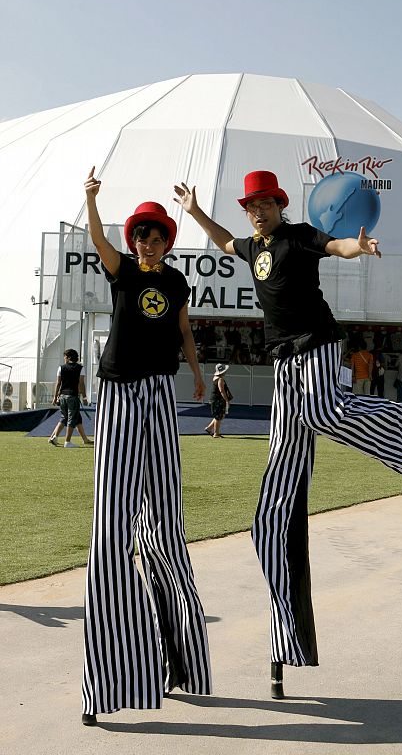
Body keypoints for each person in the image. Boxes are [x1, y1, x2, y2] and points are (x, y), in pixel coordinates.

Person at [173, 169, 402, 699]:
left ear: (279, 205)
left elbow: (335, 245)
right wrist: (196, 213)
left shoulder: (298, 236)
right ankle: (286, 636)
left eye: (265, 203)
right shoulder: (252, 245)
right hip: (282, 363)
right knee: (274, 512)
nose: (258, 210)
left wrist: (358, 247)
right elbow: (224, 242)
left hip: (315, 344)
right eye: (252, 205)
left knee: (328, 412)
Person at [80, 168, 211, 727]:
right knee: (111, 525)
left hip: (159, 392)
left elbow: (183, 330)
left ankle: (178, 658)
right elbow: (98, 242)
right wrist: (91, 201)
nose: (149, 242)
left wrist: (198, 374)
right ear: (134, 240)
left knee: (164, 522)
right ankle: (107, 677)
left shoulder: (178, 281)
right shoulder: (124, 271)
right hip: (116, 392)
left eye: (158, 235)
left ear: (167, 240)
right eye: (143, 235)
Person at [49, 349, 93, 447]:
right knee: (71, 419)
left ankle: (54, 437)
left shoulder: (61, 368)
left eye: (65, 357)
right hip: (73, 397)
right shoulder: (81, 368)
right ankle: (67, 442)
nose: (64, 359)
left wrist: (55, 397)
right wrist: (84, 397)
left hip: (62, 397)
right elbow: (81, 384)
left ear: (69, 357)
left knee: (64, 417)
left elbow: (58, 383)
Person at [205, 363, 233, 438]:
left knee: (219, 416)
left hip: (215, 399)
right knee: (218, 417)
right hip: (218, 400)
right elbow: (222, 390)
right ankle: (216, 433)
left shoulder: (215, 377)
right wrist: (226, 400)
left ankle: (209, 428)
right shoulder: (220, 379)